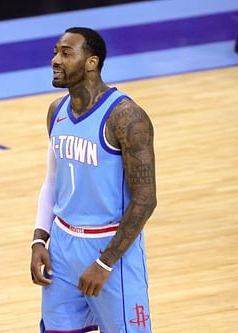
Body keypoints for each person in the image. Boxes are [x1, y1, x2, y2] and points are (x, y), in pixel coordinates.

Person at [29, 27, 157, 333]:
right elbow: (52, 181)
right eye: (55, 51)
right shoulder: (56, 111)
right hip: (61, 246)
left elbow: (145, 200)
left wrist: (105, 263)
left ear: (92, 62)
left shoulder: (126, 117)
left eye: (66, 53)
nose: (55, 60)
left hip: (109, 247)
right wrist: (39, 238)